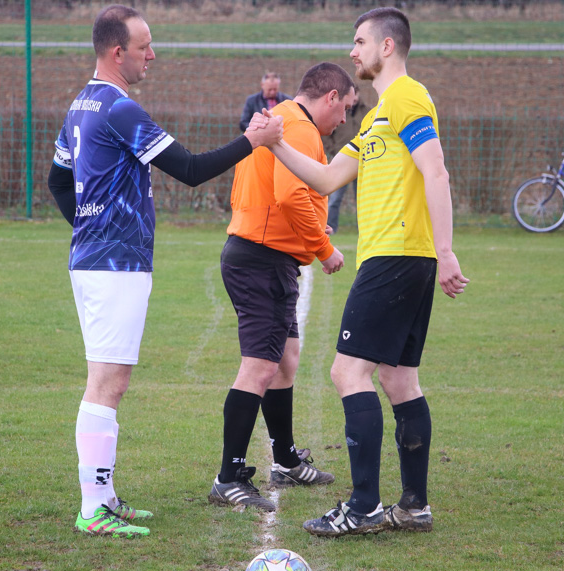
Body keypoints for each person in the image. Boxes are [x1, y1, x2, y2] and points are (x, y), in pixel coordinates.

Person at [46, 4, 282, 539]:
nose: (153, 54)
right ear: (116, 52)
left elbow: (59, 184)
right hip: (113, 265)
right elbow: (192, 170)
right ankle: (92, 509)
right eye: (144, 46)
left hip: (98, 260)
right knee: (106, 384)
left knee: (110, 381)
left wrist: (88, 228)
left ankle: (104, 497)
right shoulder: (117, 108)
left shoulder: (81, 104)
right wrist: (255, 140)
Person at [261, 7, 469, 537]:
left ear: (388, 47)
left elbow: (436, 170)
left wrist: (445, 250)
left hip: (399, 255)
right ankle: (413, 507)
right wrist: (276, 142)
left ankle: (363, 506)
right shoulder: (377, 116)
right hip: (397, 257)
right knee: (399, 379)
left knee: (346, 372)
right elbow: (328, 178)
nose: (352, 51)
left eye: (359, 42)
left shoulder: (407, 97)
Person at [209, 62, 357, 512]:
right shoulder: (300, 127)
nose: (345, 120)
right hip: (262, 259)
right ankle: (229, 475)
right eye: (346, 107)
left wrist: (311, 224)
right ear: (330, 97)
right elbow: (291, 196)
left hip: (261, 253)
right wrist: (323, 247)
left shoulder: (280, 120)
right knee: (259, 367)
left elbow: (285, 193)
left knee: (285, 360)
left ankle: (286, 459)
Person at [322, 85, 369, 234]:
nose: (354, 99)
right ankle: (331, 228)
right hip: (341, 160)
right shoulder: (338, 111)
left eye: (356, 94)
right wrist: (333, 149)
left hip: (363, 161)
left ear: (359, 94)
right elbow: (326, 135)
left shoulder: (368, 111)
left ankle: (363, 229)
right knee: (335, 197)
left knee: (362, 198)